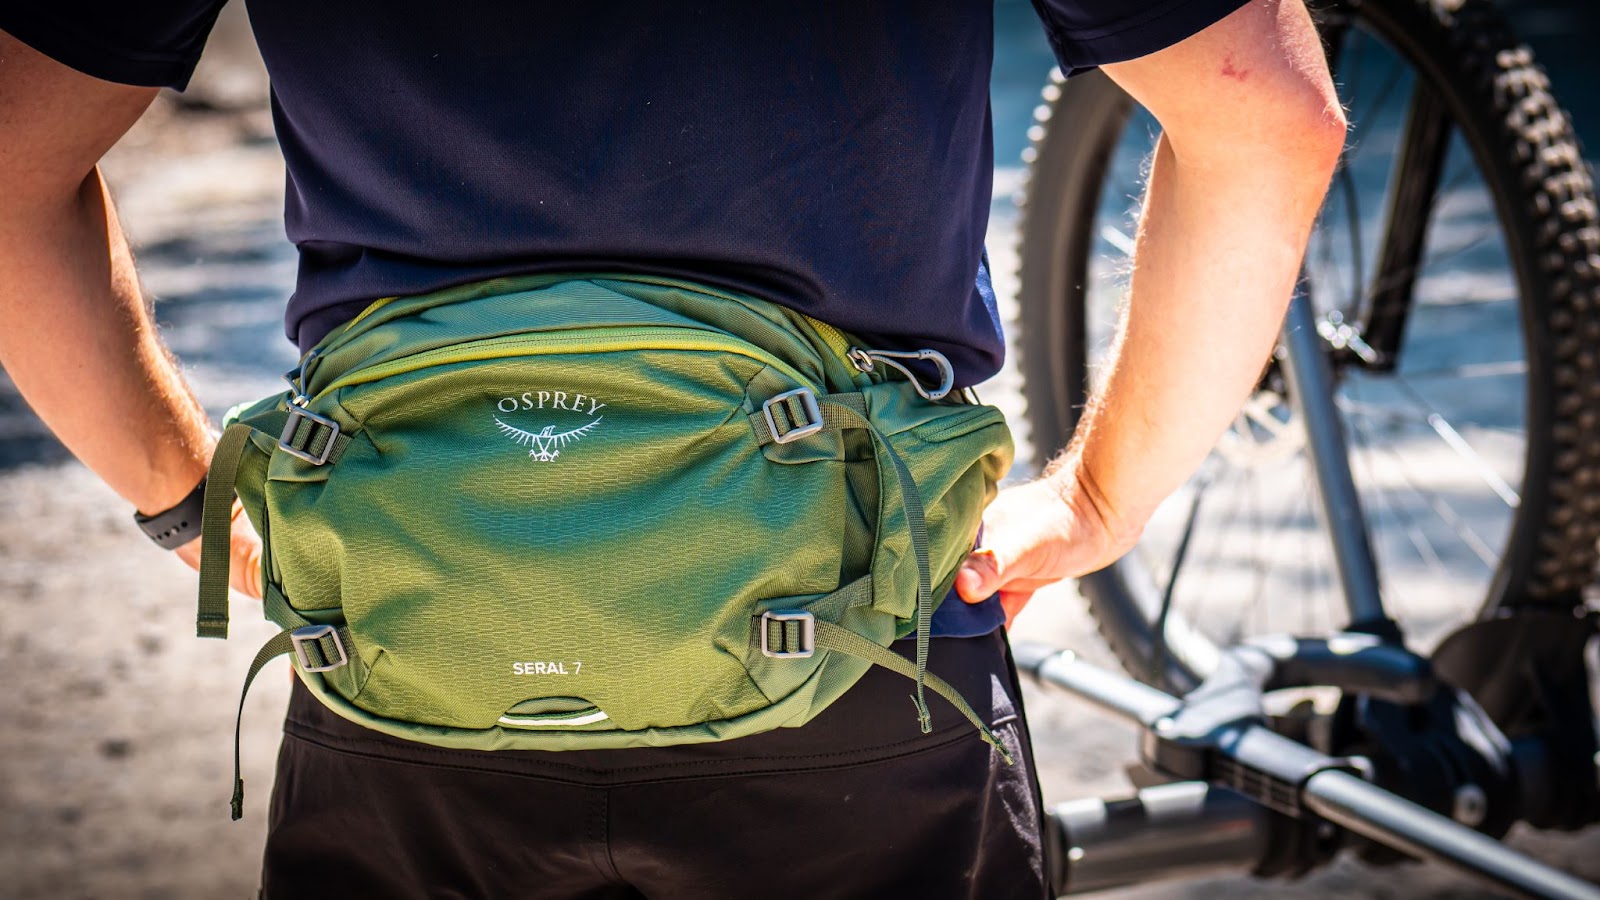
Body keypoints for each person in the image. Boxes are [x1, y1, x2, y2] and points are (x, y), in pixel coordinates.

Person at [0, 1, 1344, 896]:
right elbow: (1268, 120)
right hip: (855, 639)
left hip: (413, 637)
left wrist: (193, 504)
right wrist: (1098, 498)